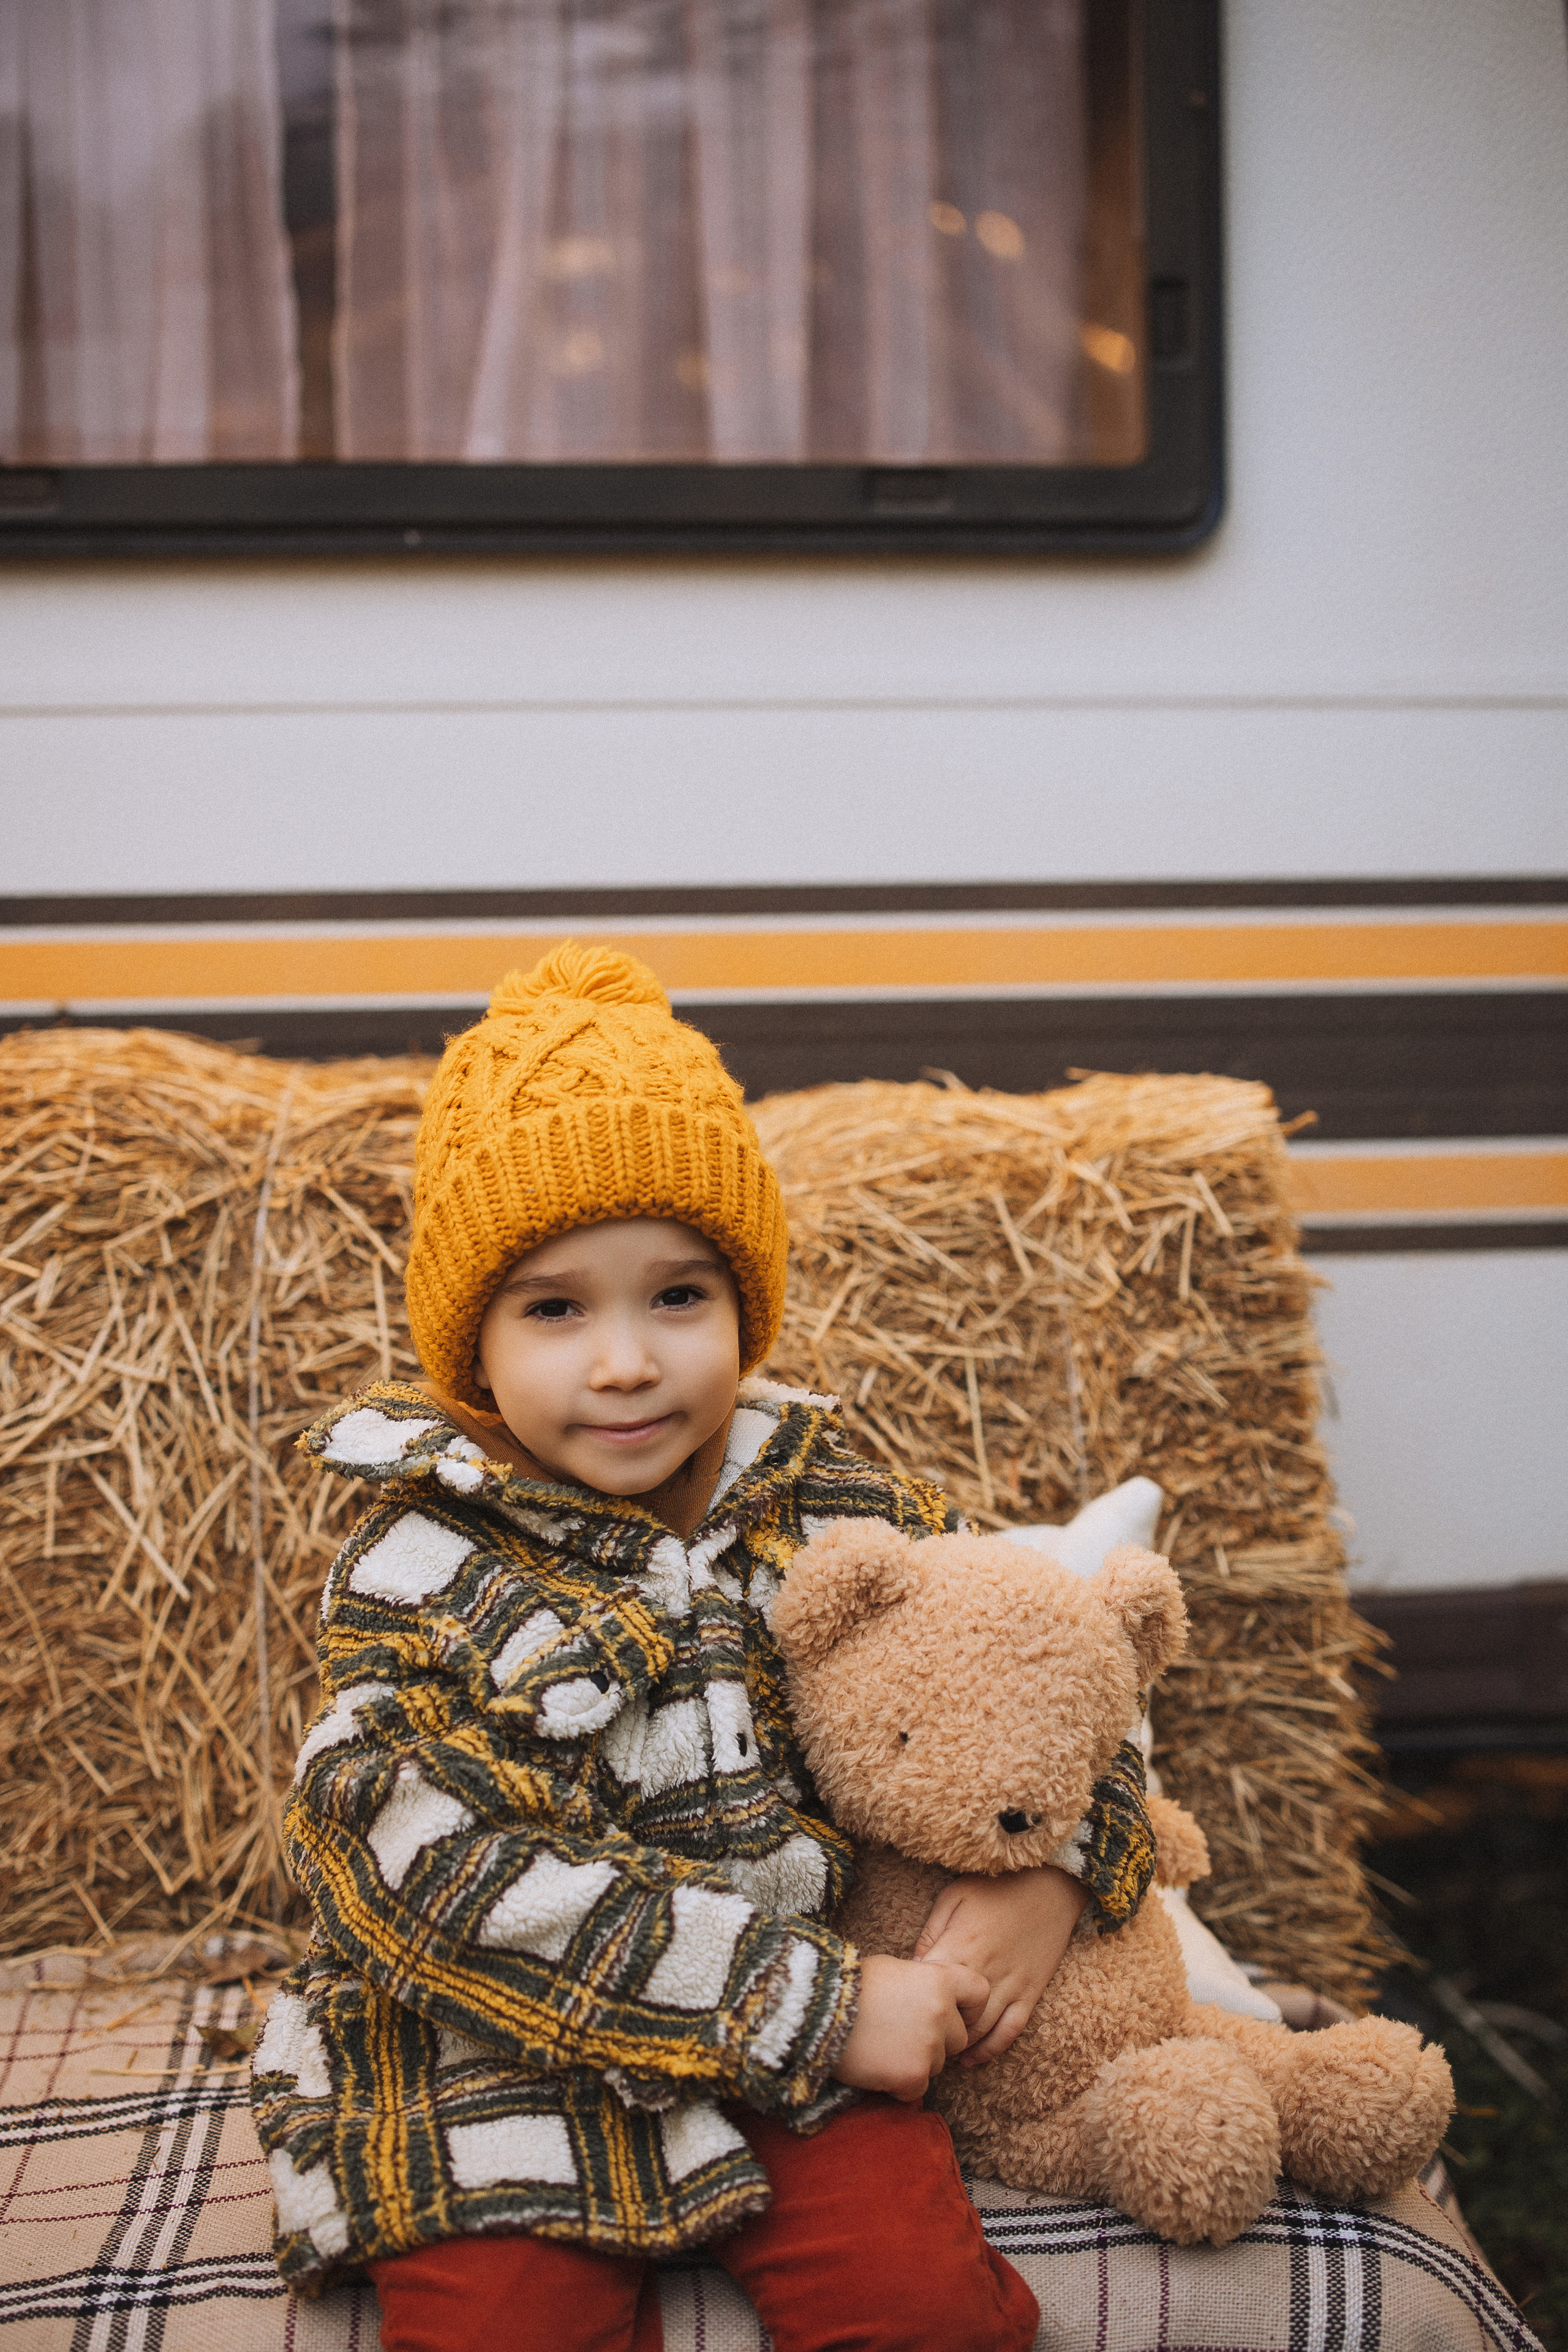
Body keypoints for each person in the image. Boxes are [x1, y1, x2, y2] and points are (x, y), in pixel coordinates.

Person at [251, 944, 1158, 2352]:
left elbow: (1054, 1668)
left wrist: (1056, 1862)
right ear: (469, 1344)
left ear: (743, 1306)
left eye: (677, 1296)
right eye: (555, 1308)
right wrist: (805, 2007)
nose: (624, 1361)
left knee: (927, 2317)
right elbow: (419, 1873)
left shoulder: (833, 1500)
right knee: (504, 2331)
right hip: (506, 2048)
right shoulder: (423, 1565)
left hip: (811, 2049)